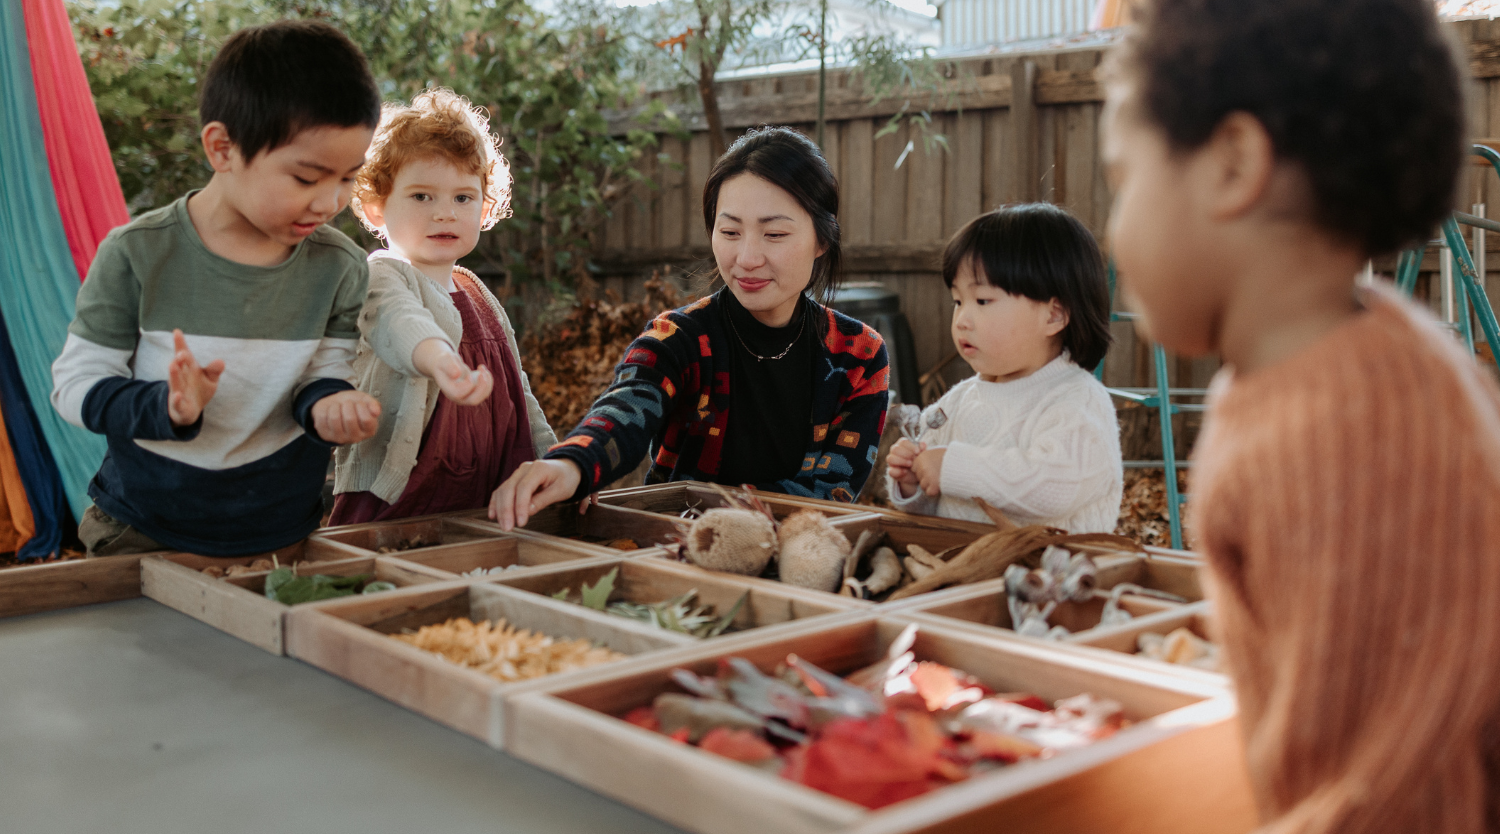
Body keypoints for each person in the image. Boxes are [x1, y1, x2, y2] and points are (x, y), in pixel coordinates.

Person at [1101, 1, 1500, 832]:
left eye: (1122, 180)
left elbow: (1387, 790)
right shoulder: (1341, 361)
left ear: (1233, 163)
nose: (1111, 236)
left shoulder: (1339, 436)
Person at [50, 20, 383, 557]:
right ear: (222, 148)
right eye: (306, 178)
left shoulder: (339, 266)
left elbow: (322, 376)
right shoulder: (137, 253)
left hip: (282, 535)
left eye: (347, 178)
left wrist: (333, 407)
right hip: (142, 531)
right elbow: (73, 386)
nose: (329, 203)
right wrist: (168, 405)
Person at [490, 126, 890, 529]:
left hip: (795, 558)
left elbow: (830, 492)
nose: (747, 258)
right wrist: (572, 464)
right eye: (730, 232)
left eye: (775, 234)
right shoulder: (678, 339)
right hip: (677, 549)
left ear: (822, 239)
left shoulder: (859, 355)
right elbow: (626, 409)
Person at [329, 88, 555, 524]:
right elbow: (401, 325)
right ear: (376, 207)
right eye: (421, 196)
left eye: (463, 198)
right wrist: (439, 359)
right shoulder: (380, 277)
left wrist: (556, 462)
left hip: (480, 500)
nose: (445, 213)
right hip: (395, 498)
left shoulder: (477, 294)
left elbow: (520, 394)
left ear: (485, 206)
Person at [884, 204, 1122, 532]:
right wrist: (913, 482)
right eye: (958, 301)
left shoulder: (1077, 399)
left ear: (1054, 315)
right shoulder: (958, 402)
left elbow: (1054, 489)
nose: (962, 320)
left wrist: (949, 467)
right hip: (963, 568)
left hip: (1053, 575)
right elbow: (935, 496)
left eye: (982, 301)